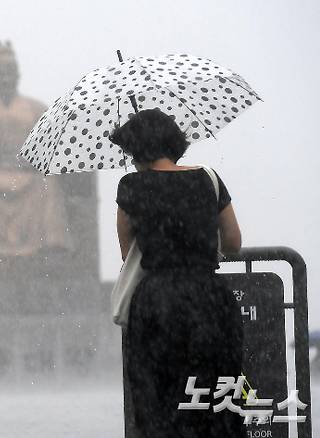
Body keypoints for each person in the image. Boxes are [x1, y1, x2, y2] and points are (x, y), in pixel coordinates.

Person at [111, 108, 244, 437]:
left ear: (137, 150)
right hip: (210, 299)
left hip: (157, 302)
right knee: (218, 396)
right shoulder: (209, 178)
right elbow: (233, 242)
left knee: (159, 402)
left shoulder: (131, 186)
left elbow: (128, 252)